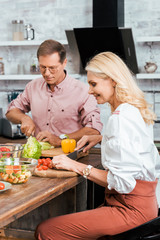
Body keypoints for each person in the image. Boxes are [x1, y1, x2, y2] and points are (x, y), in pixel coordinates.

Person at [35, 51, 160, 240]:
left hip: (130, 210)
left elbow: (123, 183)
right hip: (146, 205)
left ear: (113, 81)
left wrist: (76, 166)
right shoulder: (132, 109)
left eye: (94, 84)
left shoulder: (120, 119)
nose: (90, 91)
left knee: (46, 230)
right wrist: (103, 138)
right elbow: (134, 145)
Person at [5, 39, 102, 146]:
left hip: (70, 155)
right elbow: (10, 112)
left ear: (64, 63)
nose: (47, 73)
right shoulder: (32, 87)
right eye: (42, 67)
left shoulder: (83, 91)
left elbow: (94, 130)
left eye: (52, 68)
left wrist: (60, 139)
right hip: (40, 155)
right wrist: (24, 118)